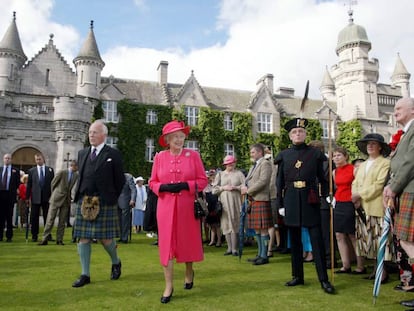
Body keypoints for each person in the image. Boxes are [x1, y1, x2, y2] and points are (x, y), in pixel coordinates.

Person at [149, 120, 207, 304]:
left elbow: (203, 180)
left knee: (187, 242)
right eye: (175, 137)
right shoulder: (159, 158)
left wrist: (187, 185)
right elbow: (152, 182)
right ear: (167, 139)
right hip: (165, 207)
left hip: (187, 206)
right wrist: (163, 187)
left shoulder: (193, 156)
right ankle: (168, 285)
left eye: (182, 136)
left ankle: (189, 272)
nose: (179, 140)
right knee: (166, 246)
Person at [275, 118, 334, 294]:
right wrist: (280, 204)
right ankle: (297, 276)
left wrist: (328, 195)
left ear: (305, 134)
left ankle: (323, 279)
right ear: (290, 136)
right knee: (294, 240)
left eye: (300, 131)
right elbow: (279, 183)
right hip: (291, 199)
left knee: (316, 239)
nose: (298, 134)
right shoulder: (284, 155)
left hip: (311, 198)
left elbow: (324, 179)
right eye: (294, 132)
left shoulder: (315, 153)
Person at [71, 120, 125, 288]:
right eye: (90, 132)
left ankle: (116, 262)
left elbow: (120, 180)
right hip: (85, 201)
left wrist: (111, 197)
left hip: (104, 202)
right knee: (83, 238)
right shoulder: (83, 153)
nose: (91, 135)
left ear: (104, 135)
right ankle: (85, 274)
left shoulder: (113, 154)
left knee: (106, 239)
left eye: (94, 132)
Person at [382, 98, 414, 309]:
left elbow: (410, 162)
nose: (394, 112)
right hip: (405, 191)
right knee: (406, 242)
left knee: (408, 242)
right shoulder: (406, 133)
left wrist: (393, 187)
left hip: (410, 191)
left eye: (399, 108)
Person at [352, 133, 391, 281]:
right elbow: (355, 182)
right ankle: (376, 269)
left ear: (380, 147)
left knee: (380, 239)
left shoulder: (385, 163)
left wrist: (360, 194)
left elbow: (379, 185)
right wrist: (354, 196)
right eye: (368, 144)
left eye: (373, 143)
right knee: (368, 240)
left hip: (376, 206)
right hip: (362, 207)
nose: (370, 146)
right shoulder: (362, 165)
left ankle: (383, 272)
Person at [241, 144, 273, 265]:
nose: (251, 154)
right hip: (253, 199)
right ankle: (260, 254)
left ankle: (264, 255)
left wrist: (248, 191)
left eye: (253, 152)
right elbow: (248, 180)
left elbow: (263, 181)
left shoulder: (265, 164)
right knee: (257, 230)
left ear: (260, 152)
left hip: (261, 199)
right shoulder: (254, 165)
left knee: (263, 229)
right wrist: (243, 186)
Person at [38, 160, 79, 245]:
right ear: (73, 166)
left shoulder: (76, 175)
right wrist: (54, 194)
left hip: (66, 200)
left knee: (62, 221)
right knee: (50, 219)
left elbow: (70, 188)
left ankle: (59, 239)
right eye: (77, 167)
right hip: (56, 198)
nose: (78, 169)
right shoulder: (62, 172)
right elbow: (53, 183)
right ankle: (45, 238)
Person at [331, 147, 357, 274]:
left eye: (339, 155)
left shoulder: (353, 169)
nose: (336, 158)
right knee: (339, 234)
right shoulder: (334, 172)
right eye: (334, 156)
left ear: (346, 156)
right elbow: (337, 187)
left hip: (350, 202)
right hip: (339, 203)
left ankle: (360, 265)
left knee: (352, 235)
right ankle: (345, 265)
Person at [213, 155, 245, 256]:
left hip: (236, 202)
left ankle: (235, 249)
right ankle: (229, 248)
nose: (230, 165)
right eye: (228, 164)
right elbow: (214, 189)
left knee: (235, 223)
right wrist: (223, 188)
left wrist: (236, 187)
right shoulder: (220, 175)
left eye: (232, 163)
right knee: (226, 224)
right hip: (224, 203)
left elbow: (245, 186)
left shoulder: (239, 174)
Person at [25, 153, 54, 242]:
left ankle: (47, 235)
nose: (38, 161)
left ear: (43, 159)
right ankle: (34, 235)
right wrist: (27, 197)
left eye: (39, 159)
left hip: (47, 197)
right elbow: (29, 185)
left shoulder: (49, 170)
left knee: (47, 217)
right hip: (35, 197)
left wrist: (52, 196)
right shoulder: (31, 171)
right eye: (37, 159)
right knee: (34, 217)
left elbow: (53, 184)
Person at [0, 154, 20, 242]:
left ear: (11, 160)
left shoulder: (15, 170)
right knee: (0, 217)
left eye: (9, 158)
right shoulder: (0, 169)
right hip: (1, 195)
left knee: (9, 217)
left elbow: (17, 184)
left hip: (10, 196)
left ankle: (9, 236)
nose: (7, 160)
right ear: (3, 159)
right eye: (6, 158)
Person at [118, 173, 136, 243]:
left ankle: (124, 237)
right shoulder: (113, 175)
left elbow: (133, 189)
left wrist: (133, 200)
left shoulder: (128, 177)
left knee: (125, 220)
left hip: (125, 201)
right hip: (116, 201)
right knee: (119, 220)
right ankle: (121, 236)